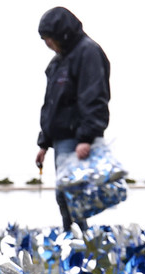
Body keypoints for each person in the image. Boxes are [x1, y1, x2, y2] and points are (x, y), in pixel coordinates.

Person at [34, 6, 111, 233]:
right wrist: (44, 143)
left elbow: (94, 96)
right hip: (60, 139)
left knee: (72, 194)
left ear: (62, 33)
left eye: (49, 38)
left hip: (77, 138)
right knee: (65, 195)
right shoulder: (58, 62)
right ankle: (74, 242)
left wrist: (86, 137)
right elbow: (51, 104)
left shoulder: (88, 53)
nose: (47, 43)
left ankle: (80, 245)